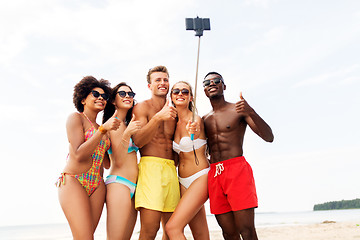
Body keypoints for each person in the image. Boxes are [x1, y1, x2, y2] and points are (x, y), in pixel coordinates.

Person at [202, 72, 274, 240]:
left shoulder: (238, 109)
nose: (212, 83)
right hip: (215, 174)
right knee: (228, 233)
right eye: (207, 82)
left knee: (247, 231)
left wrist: (252, 111)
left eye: (216, 80)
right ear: (205, 90)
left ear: (224, 86)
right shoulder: (203, 119)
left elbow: (269, 137)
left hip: (236, 170)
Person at [56, 76, 120, 239]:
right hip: (74, 180)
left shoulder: (102, 128)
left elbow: (107, 164)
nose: (101, 98)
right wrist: (103, 131)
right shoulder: (75, 118)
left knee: (85, 236)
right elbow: (78, 154)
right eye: (95, 94)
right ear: (83, 98)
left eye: (104, 96)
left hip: (97, 184)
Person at [132, 65, 180, 239]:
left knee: (170, 230)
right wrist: (159, 117)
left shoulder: (176, 109)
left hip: (171, 170)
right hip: (150, 168)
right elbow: (138, 141)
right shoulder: (142, 108)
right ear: (149, 86)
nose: (162, 83)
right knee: (149, 231)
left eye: (165, 79)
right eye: (157, 80)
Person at [165, 81, 210, 240]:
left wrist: (194, 131)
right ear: (171, 97)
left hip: (201, 177)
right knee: (200, 234)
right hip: (182, 181)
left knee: (172, 228)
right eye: (176, 91)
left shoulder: (195, 119)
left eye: (185, 91)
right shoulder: (173, 124)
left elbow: (196, 131)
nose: (180, 94)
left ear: (191, 97)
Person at [102, 82, 141, 240]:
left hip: (134, 187)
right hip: (119, 184)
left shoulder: (127, 123)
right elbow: (116, 160)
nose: (127, 97)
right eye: (122, 94)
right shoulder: (112, 124)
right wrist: (128, 133)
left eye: (130, 94)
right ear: (113, 100)